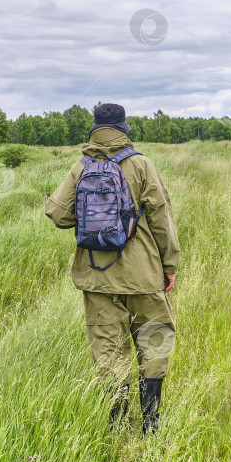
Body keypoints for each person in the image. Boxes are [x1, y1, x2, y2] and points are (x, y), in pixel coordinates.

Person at [44, 103, 180, 434]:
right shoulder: (141, 164)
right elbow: (161, 217)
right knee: (153, 341)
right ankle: (151, 421)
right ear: (123, 129)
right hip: (143, 276)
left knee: (108, 350)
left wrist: (91, 220)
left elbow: (57, 214)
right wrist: (169, 264)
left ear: (94, 130)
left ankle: (116, 425)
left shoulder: (81, 167)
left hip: (96, 278)